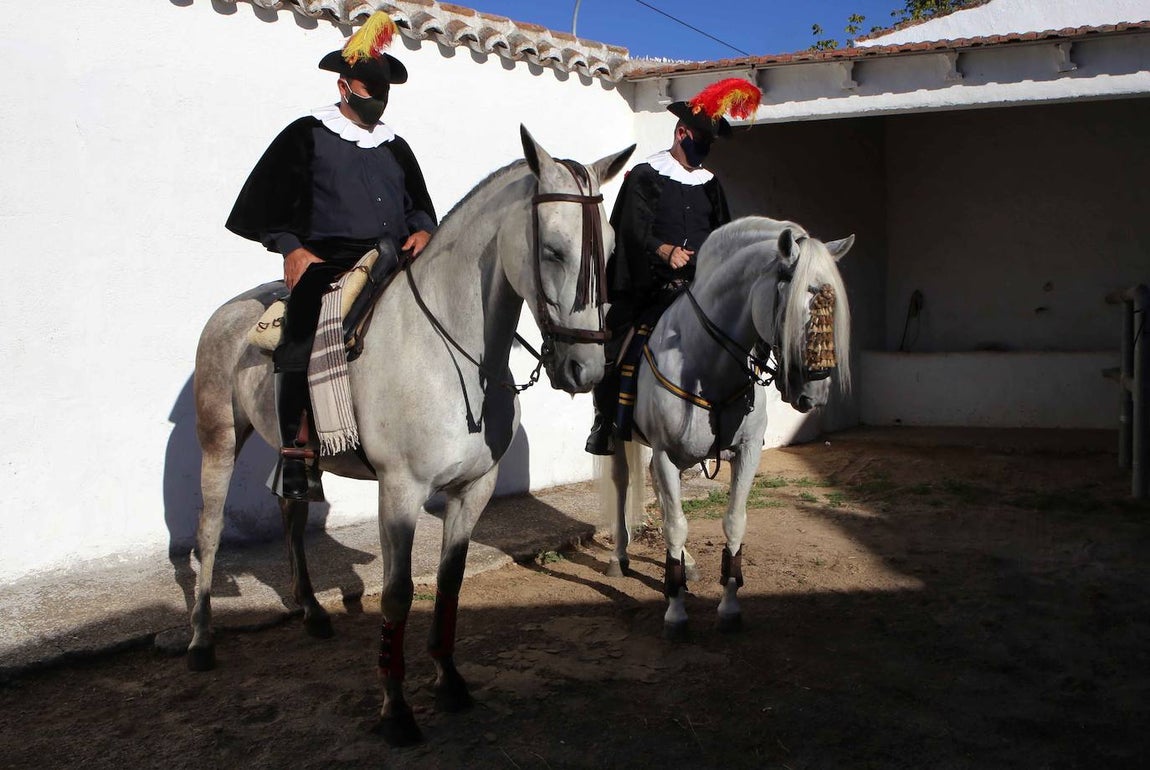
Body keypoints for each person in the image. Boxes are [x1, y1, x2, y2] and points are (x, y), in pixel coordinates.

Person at [226, 12, 437, 499]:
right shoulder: (306, 133)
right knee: (300, 330)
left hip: (394, 260)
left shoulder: (395, 146)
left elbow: (420, 206)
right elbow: (267, 203)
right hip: (329, 260)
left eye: (383, 94)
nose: (377, 102)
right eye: (368, 91)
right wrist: (291, 248)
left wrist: (424, 230)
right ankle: (297, 456)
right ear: (345, 87)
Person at [585, 79, 762, 455]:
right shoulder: (646, 174)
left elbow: (722, 235)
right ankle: (606, 421)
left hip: (701, 285)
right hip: (653, 285)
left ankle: (738, 421)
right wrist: (663, 250)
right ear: (682, 132)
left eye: (710, 143)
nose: (705, 149)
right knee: (616, 341)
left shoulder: (711, 184)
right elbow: (630, 230)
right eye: (701, 139)